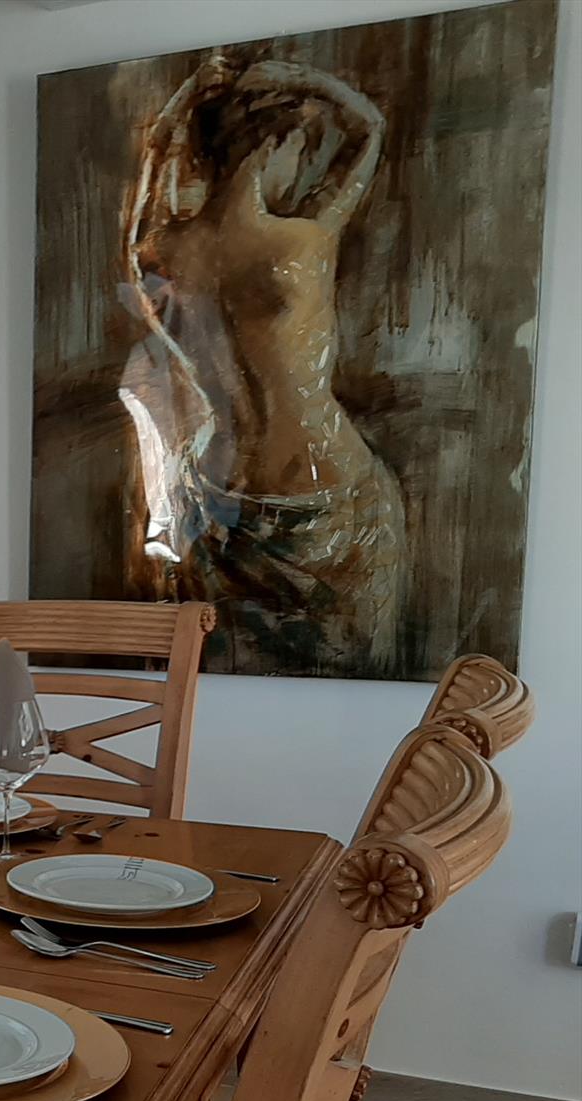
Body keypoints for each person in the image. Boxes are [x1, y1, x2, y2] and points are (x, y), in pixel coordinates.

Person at [121, 57, 406, 675]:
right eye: (299, 148)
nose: (299, 168)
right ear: (276, 144)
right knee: (350, 677)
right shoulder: (303, 240)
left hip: (215, 496)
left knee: (215, 682)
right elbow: (369, 129)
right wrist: (312, 82)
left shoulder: (159, 251)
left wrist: (178, 110)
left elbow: (144, 202)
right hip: (325, 490)